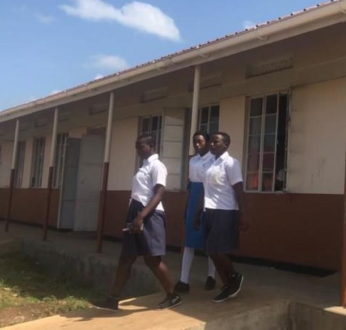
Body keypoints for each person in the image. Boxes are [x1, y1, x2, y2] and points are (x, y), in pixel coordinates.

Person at [95, 134, 181, 311]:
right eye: (136, 147)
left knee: (152, 259)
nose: (138, 151)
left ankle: (173, 295)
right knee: (126, 257)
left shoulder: (157, 166)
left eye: (141, 147)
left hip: (149, 215)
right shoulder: (144, 166)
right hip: (135, 212)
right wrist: (134, 215)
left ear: (151, 146)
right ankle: (113, 299)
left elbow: (159, 194)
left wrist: (141, 216)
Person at [193, 132, 249, 303]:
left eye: (216, 142)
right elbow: (204, 190)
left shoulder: (231, 163)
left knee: (216, 249)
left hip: (225, 211)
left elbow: (239, 190)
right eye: (211, 142)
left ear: (226, 144)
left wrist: (243, 215)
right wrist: (197, 213)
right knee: (210, 250)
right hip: (209, 211)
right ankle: (227, 285)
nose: (211, 144)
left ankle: (234, 276)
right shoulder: (209, 163)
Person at [174, 132, 217, 294]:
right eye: (194, 142)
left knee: (210, 240)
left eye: (200, 141)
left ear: (207, 142)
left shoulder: (214, 160)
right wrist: (188, 206)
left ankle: (211, 276)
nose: (197, 144)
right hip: (194, 198)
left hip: (210, 199)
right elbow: (191, 184)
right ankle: (183, 280)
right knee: (189, 240)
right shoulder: (192, 161)